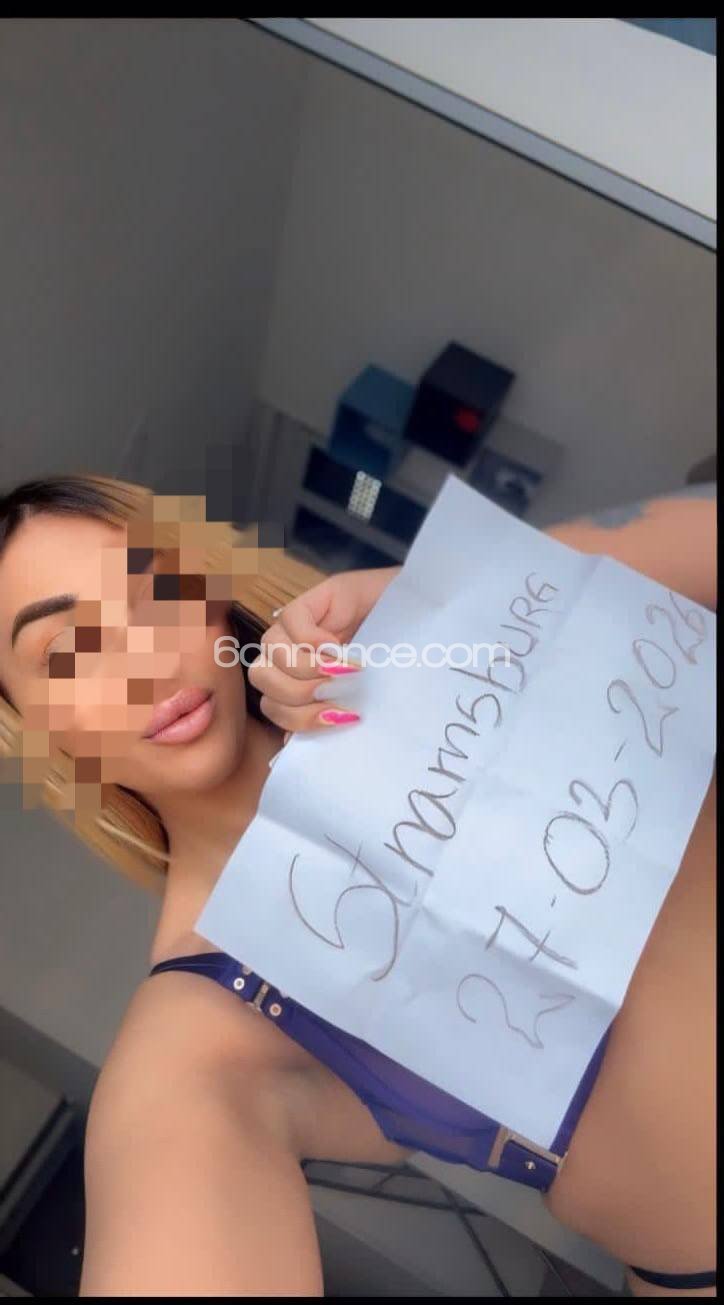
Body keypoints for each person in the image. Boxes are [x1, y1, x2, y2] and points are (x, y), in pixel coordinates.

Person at [0, 473, 715, 1297]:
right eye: (68, 653)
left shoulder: (450, 641)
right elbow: (172, 1148)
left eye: (151, 590)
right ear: (33, 729)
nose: (145, 660)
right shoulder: (202, 1016)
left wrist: (453, 596)